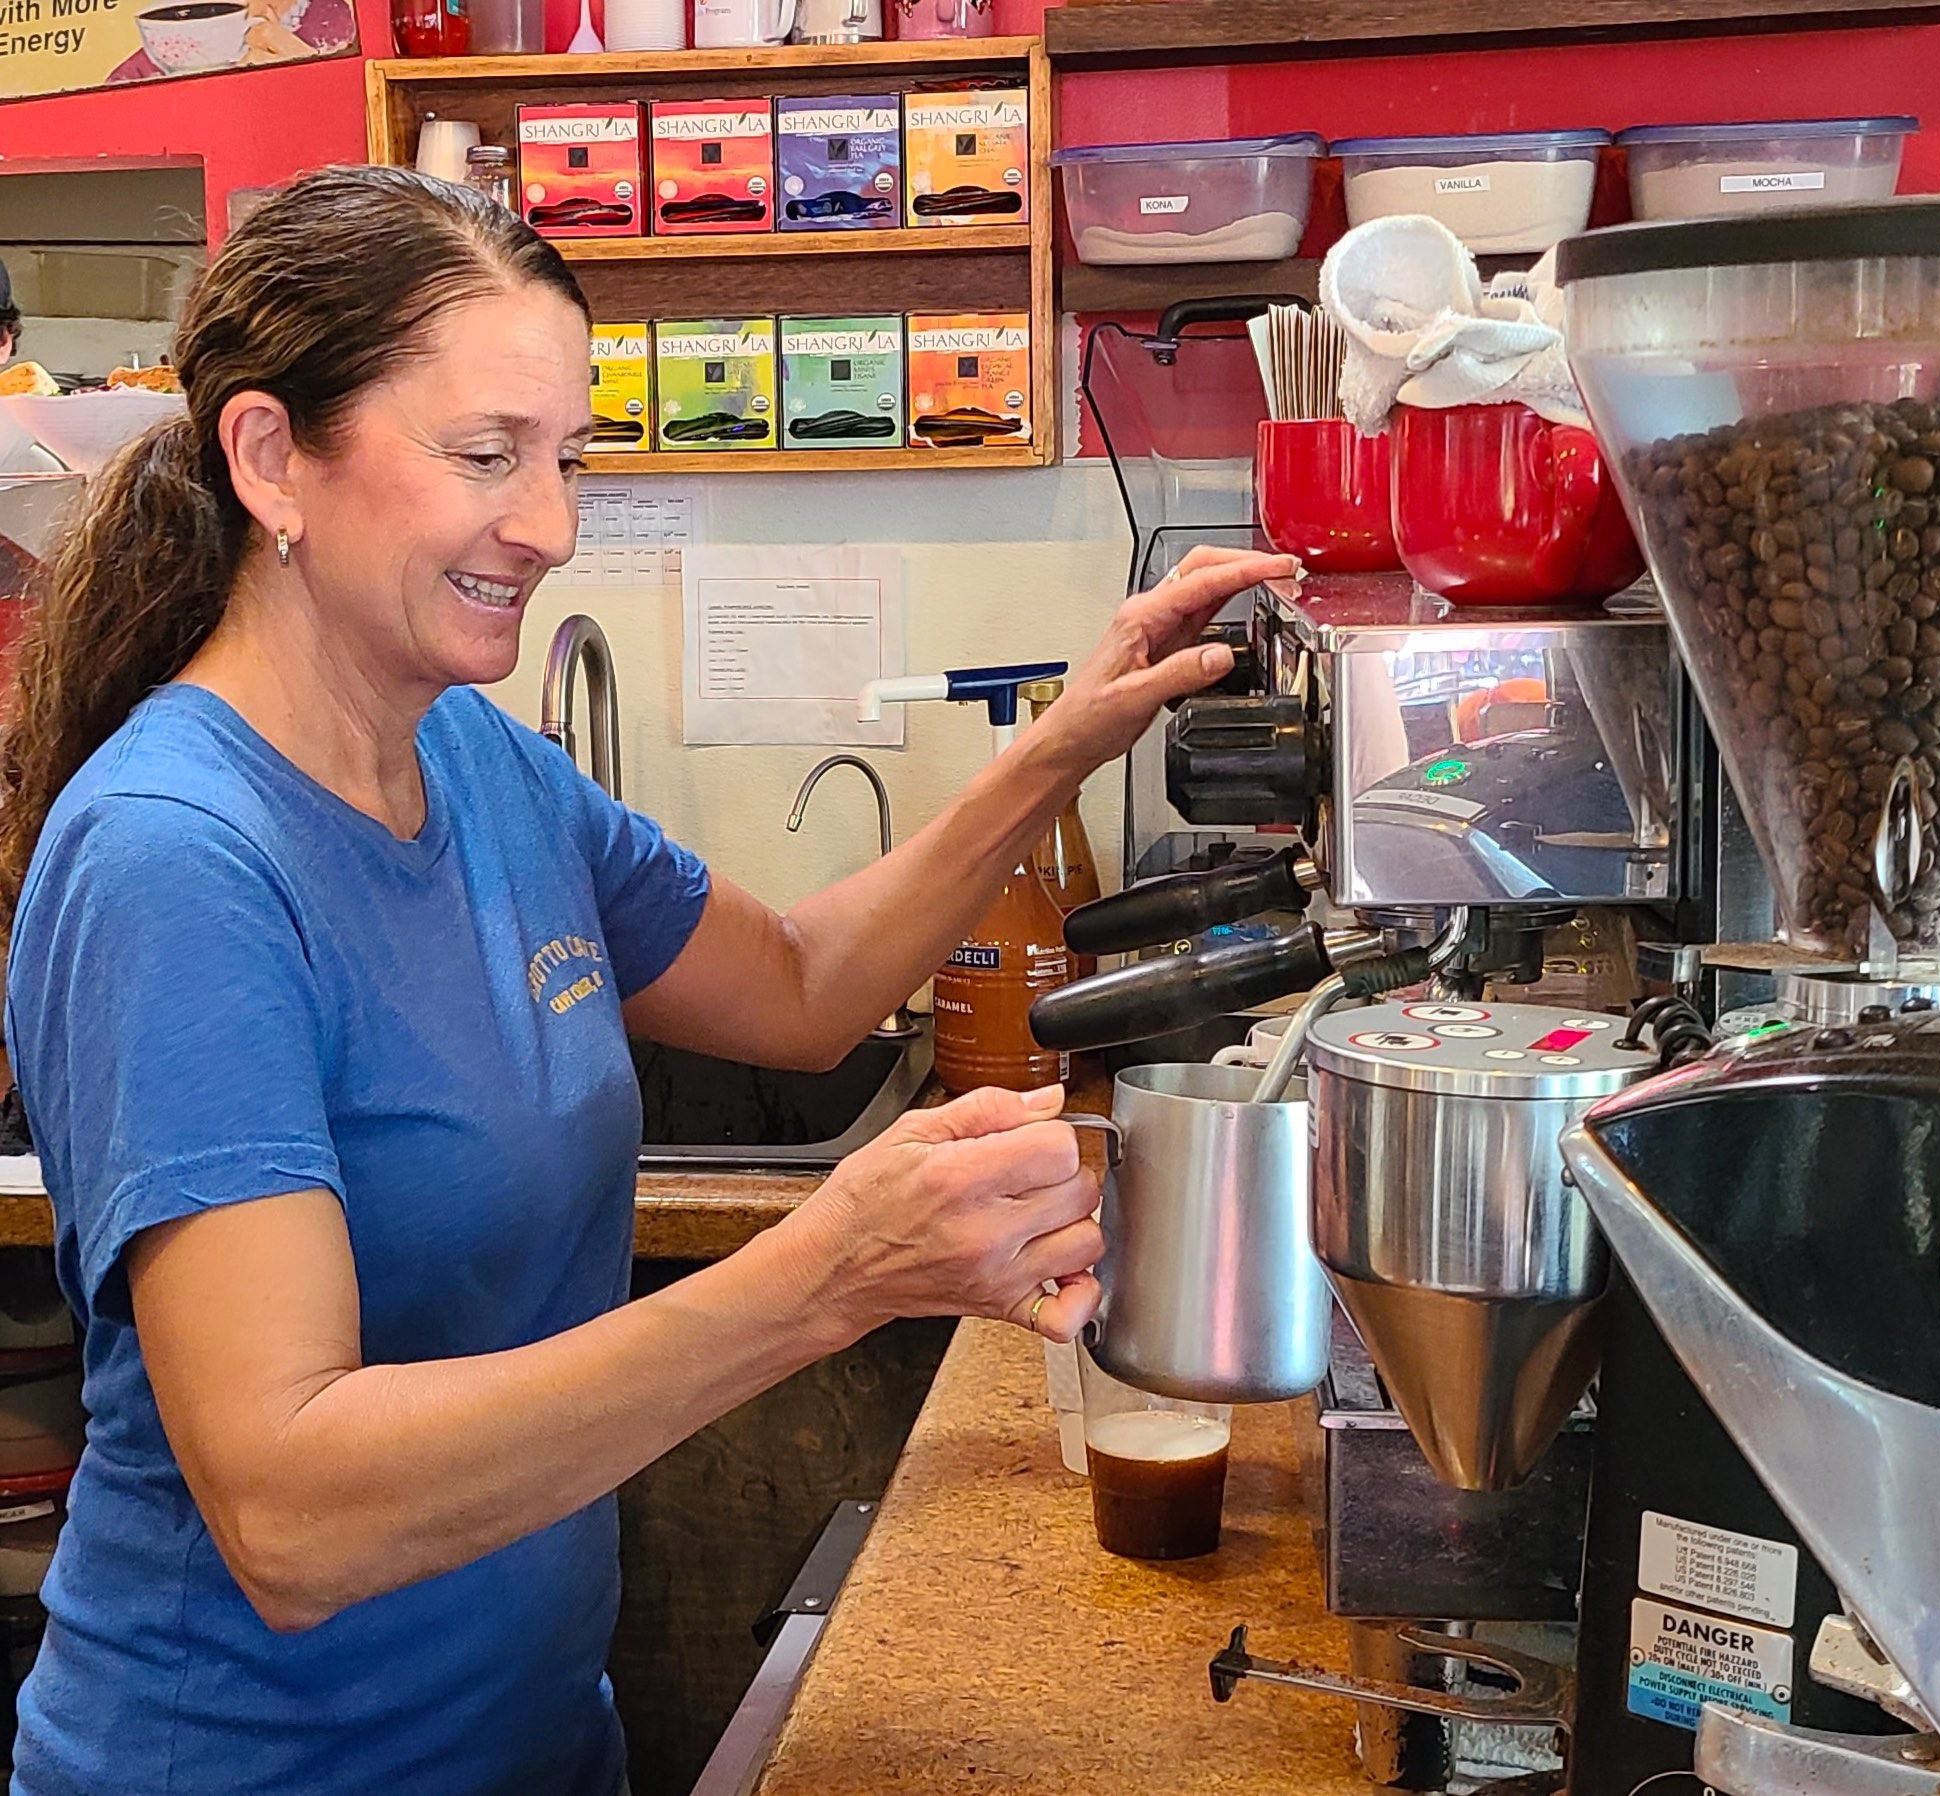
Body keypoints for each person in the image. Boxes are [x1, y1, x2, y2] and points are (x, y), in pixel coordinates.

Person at [0, 164, 1289, 1796]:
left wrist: (1062, 742)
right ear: (273, 460)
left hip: (533, 1740)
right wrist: (829, 1273)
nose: (550, 523)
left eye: (568, 457)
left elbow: (807, 985)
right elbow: (292, 1512)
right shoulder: (177, 855)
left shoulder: (478, 760)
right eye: (485, 457)